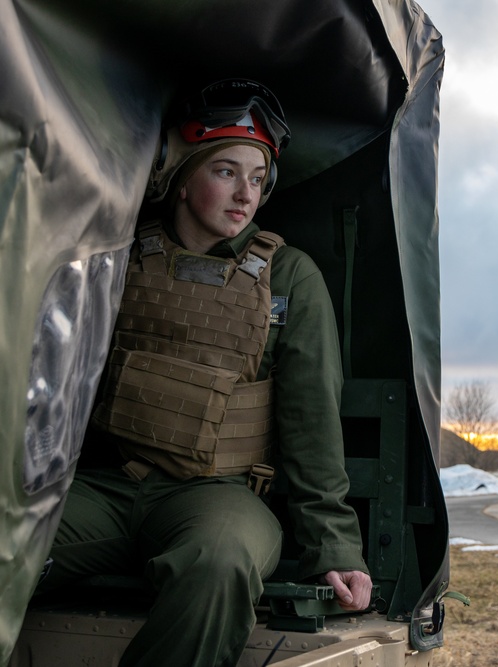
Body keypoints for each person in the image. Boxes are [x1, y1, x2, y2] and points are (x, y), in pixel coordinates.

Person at [34, 79, 372, 666]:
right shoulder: (120, 260)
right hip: (109, 487)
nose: (246, 194)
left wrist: (334, 545)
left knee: (219, 563)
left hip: (218, 497)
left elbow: (311, 422)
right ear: (183, 178)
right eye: (225, 171)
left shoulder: (289, 276)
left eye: (258, 178)